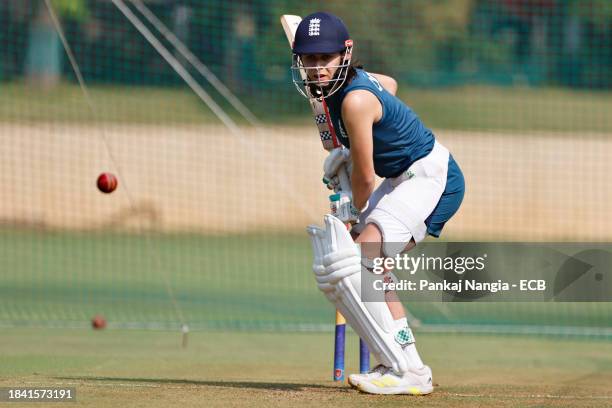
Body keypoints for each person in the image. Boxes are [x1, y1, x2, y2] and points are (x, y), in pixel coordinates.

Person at [295, 12, 465, 395]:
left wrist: (353, 207)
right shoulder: (356, 86)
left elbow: (367, 179)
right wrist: (359, 142)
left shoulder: (354, 100)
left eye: (326, 58)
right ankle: (397, 363)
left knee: (363, 256)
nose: (318, 68)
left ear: (346, 52)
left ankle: (411, 373)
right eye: (309, 59)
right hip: (402, 179)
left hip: (432, 177)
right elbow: (389, 84)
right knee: (340, 268)